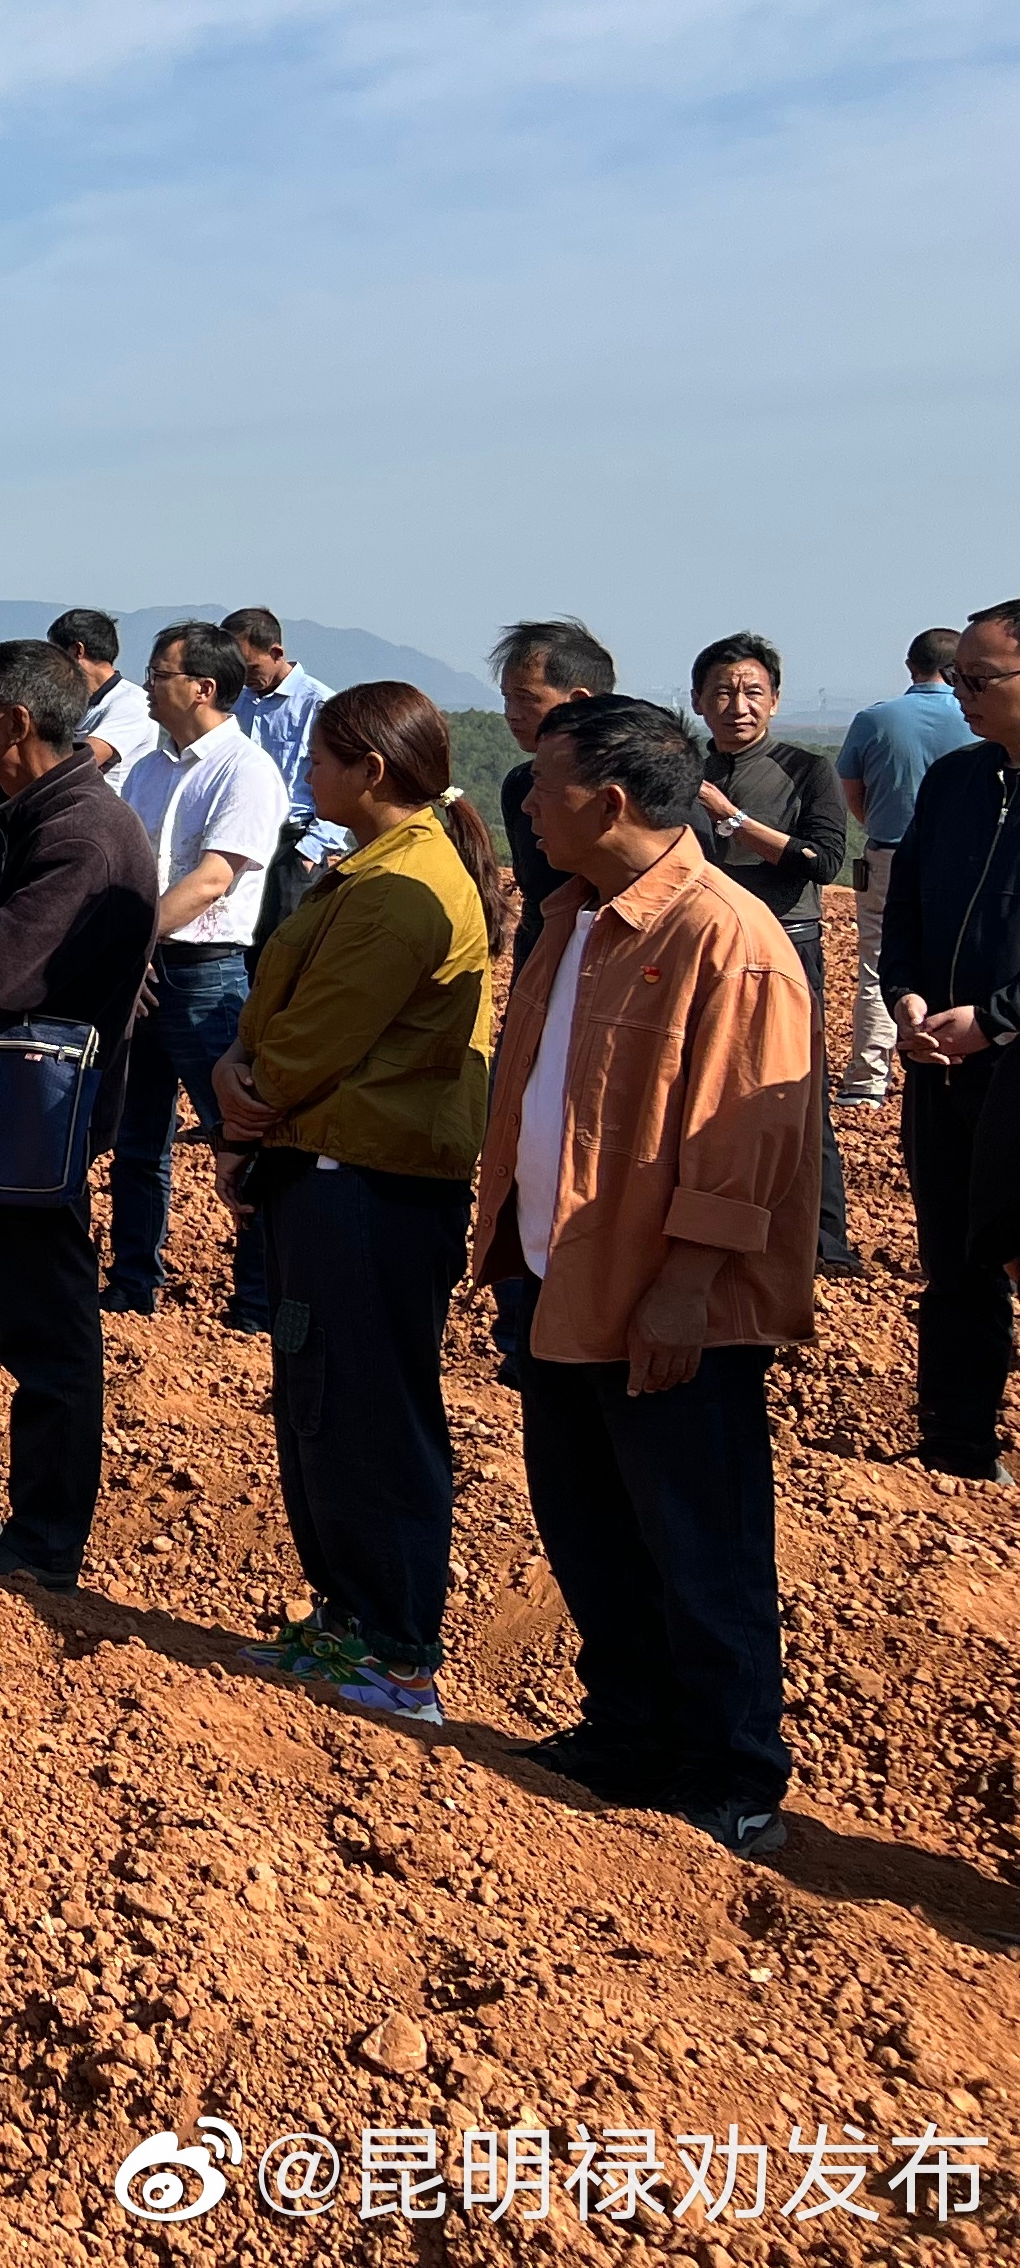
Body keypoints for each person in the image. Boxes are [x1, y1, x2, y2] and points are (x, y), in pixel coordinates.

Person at [475, 692, 818, 1854]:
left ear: (609, 801)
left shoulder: (725, 937)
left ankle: (731, 1771)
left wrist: (684, 1287)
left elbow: (742, 1140)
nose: (526, 800)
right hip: (558, 1273)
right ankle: (625, 1730)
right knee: (592, 1526)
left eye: (544, 782)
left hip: (669, 1299)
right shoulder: (575, 916)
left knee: (699, 1539)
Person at [210, 683, 499, 1726]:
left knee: (368, 1408)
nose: (310, 779)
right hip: (326, 1167)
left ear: (368, 771)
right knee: (323, 1402)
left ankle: (398, 1652)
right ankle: (349, 1624)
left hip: (367, 1182)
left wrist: (245, 1093)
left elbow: (314, 1037)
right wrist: (247, 1083)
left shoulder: (400, 887)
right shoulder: (371, 869)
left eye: (323, 762)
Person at [0, 640, 157, 1588]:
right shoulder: (26, 814)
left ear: (13, 722)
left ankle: (47, 1543)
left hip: (37, 1119)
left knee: (45, 1335)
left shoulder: (80, 833)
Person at [105, 623, 294, 1322]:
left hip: (205, 971)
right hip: (145, 966)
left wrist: (127, 944)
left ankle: (254, 1302)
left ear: (203, 688)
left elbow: (214, 879)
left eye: (159, 675)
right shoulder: (150, 769)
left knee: (237, 1136)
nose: (149, 688)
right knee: (136, 1138)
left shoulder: (244, 771)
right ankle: (131, 1284)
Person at [880, 598, 1020, 1485]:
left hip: (1009, 1058)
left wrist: (999, 1020)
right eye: (958, 676)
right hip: (941, 1059)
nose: (958, 693)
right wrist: (906, 998)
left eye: (979, 679)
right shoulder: (957, 779)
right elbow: (906, 907)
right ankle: (958, 1451)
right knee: (956, 1258)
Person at [685, 633, 855, 1275]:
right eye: (723, 691)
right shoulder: (681, 775)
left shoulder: (807, 770)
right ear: (699, 701)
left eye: (753, 691)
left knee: (796, 1091)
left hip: (788, 941)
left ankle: (824, 1246)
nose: (738, 704)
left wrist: (731, 820)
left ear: (776, 701)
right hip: (701, 944)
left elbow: (823, 861)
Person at [839, 628, 976, 1108]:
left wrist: (881, 826)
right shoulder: (975, 716)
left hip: (889, 851)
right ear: (958, 668)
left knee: (877, 963)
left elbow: (853, 792)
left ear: (909, 665)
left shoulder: (874, 719)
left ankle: (866, 1079)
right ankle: (953, 1060)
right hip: (969, 858)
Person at [489, 619, 617, 965]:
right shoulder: (520, 787)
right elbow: (535, 906)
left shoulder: (635, 789)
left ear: (577, 702)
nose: (510, 714)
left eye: (525, 698)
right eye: (506, 698)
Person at [224, 608, 341, 935]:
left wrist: (310, 851)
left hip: (293, 846)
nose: (244, 677)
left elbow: (338, 778)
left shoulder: (317, 704)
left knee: (285, 945)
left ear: (276, 653)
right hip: (241, 837)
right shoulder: (237, 702)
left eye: (250, 667)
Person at [50, 608, 158, 780]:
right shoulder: (79, 703)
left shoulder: (131, 703)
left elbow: (78, 763)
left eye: (55, 654)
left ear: (78, 651)